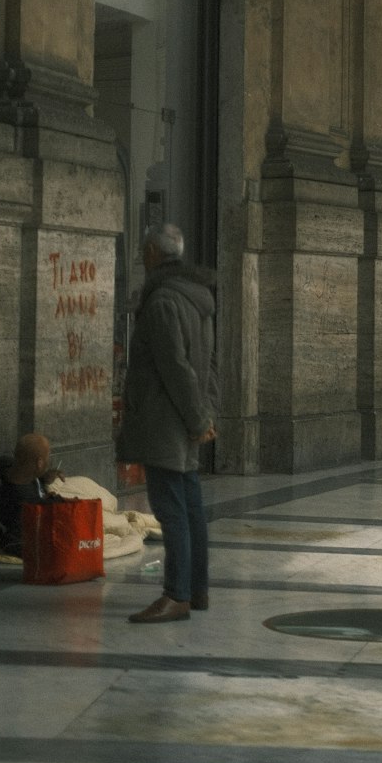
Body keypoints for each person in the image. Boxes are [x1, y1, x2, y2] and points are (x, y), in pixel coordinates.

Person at [117, 222, 219, 624]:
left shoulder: (162, 301)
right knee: (190, 507)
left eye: (144, 251)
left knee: (172, 509)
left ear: (153, 255)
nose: (142, 258)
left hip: (165, 421)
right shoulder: (197, 297)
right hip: (187, 419)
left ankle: (176, 594)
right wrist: (206, 414)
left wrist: (197, 418)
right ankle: (197, 589)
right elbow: (209, 365)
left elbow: (174, 367)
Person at [0, 434, 64, 556]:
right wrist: (54, 500)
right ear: (39, 463)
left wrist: (42, 478)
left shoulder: (4, 463)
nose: (48, 460)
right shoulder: (27, 500)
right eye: (48, 457)